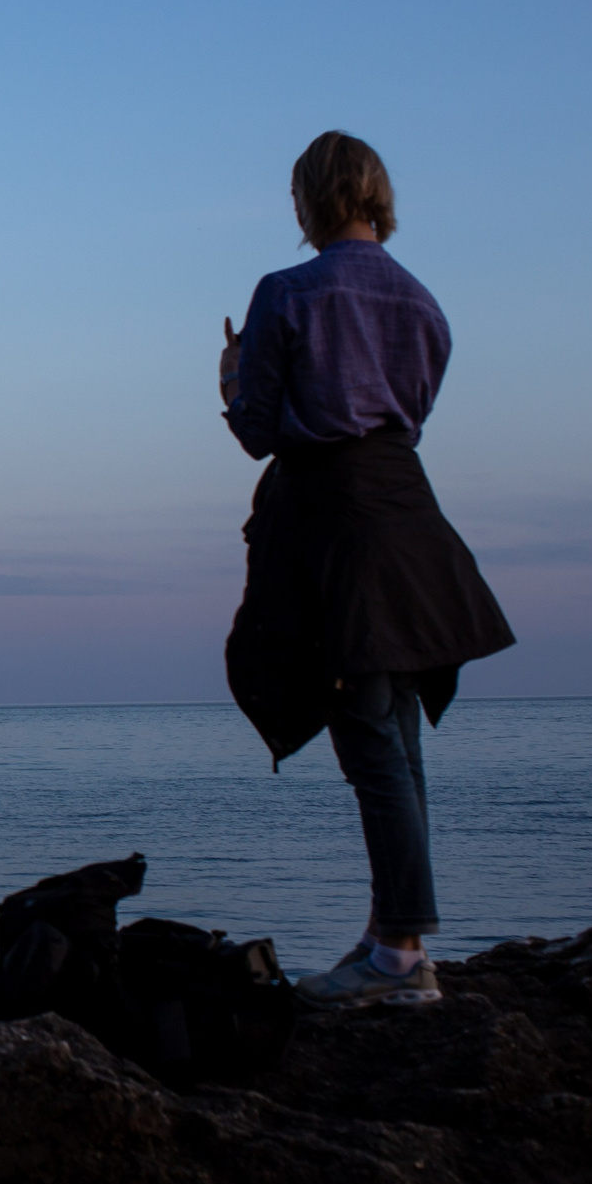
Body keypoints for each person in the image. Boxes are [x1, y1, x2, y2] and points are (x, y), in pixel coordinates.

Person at [220, 131, 514, 1010]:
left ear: (306, 201)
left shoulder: (286, 293)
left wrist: (235, 375)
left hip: (334, 521)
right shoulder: (424, 304)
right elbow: (410, 417)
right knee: (398, 729)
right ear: (377, 196)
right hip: (407, 509)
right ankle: (397, 935)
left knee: (369, 738)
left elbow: (259, 431)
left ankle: (399, 958)